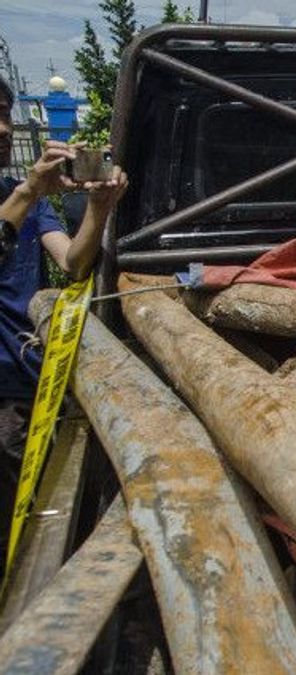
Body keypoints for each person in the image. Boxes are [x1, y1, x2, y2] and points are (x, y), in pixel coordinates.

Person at [0, 74, 128, 550]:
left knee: (39, 522)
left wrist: (99, 205)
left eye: (4, 115)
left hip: (32, 381)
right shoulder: (23, 196)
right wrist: (28, 194)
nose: (2, 129)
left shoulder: (22, 195)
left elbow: (73, 263)